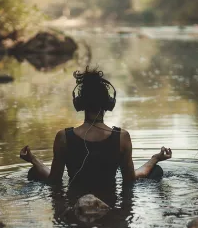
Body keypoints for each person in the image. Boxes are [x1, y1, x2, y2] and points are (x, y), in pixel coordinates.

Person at [20, 67, 172, 190]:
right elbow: (130, 180)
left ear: (79, 103)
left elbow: (54, 180)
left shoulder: (63, 137)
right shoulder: (121, 137)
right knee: (156, 171)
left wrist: (33, 160)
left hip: (74, 206)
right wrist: (155, 159)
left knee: (34, 172)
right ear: (108, 104)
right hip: (110, 207)